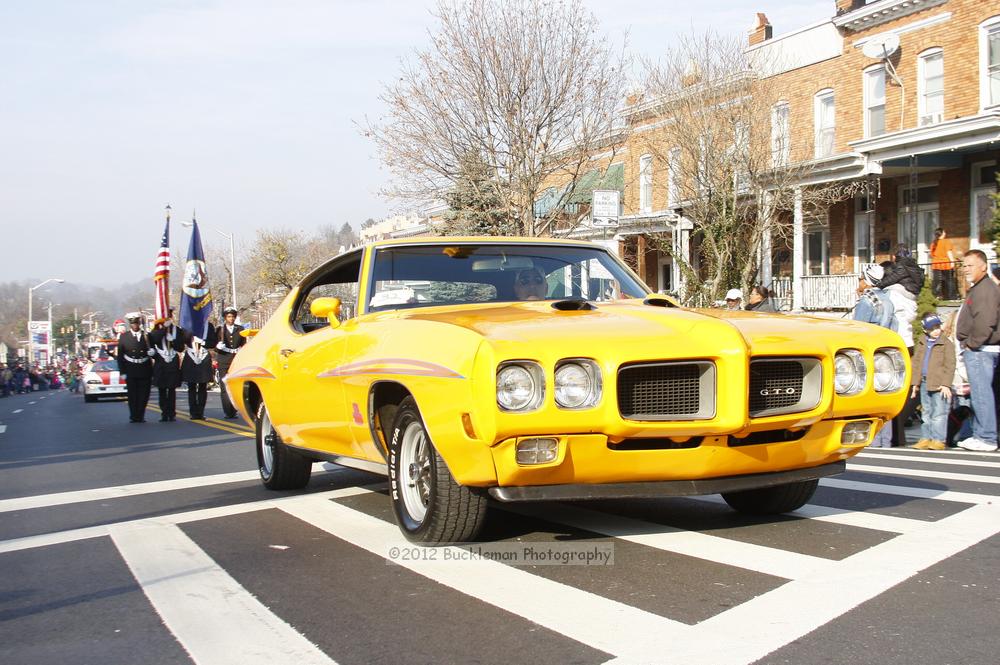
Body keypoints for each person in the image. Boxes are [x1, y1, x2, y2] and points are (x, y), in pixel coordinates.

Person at [955, 249, 1000, 452]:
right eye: (964, 265)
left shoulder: (985, 289)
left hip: (981, 349)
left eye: (970, 265)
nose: (966, 269)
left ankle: (986, 437)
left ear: (983, 266)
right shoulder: (981, 288)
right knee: (981, 394)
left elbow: (986, 321)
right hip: (980, 348)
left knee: (982, 394)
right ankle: (981, 434)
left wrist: (972, 344)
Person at [853, 264, 896, 447]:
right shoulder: (888, 300)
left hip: (868, 354)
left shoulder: (866, 301)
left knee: (868, 397)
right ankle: (885, 440)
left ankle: (871, 438)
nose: (859, 282)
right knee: (884, 395)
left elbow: (856, 331)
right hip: (884, 353)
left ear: (866, 281)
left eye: (860, 278)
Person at [910, 313, 955, 450]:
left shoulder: (946, 343)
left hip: (939, 384)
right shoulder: (922, 342)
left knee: (939, 413)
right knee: (926, 412)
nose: (936, 330)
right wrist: (915, 384)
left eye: (938, 327)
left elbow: (950, 364)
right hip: (924, 382)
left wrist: (946, 384)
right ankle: (925, 438)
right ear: (925, 330)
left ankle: (938, 439)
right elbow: (917, 364)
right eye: (932, 328)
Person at [116, 313, 153, 423]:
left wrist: (153, 353)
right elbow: (120, 356)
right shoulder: (124, 337)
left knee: (144, 395)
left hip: (144, 368)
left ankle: (140, 415)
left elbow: (153, 351)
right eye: (133, 324)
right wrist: (122, 371)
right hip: (130, 369)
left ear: (140, 324)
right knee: (133, 395)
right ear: (130, 325)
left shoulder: (147, 336)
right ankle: (134, 415)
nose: (135, 326)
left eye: (137, 323)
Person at [149, 309, 185, 422]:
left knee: (172, 390)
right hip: (161, 363)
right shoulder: (155, 330)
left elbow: (181, 348)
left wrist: (173, 341)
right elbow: (153, 340)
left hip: (172, 363)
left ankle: (172, 413)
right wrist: (164, 330)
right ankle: (164, 412)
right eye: (166, 316)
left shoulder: (177, 330)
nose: (169, 318)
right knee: (162, 390)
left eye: (170, 316)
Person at [214, 307, 246, 419]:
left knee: (235, 386)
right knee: (224, 386)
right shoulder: (219, 330)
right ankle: (228, 411)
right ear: (225, 318)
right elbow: (214, 346)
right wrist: (218, 347)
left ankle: (235, 409)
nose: (231, 318)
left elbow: (243, 345)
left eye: (232, 316)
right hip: (223, 360)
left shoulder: (240, 329)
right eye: (228, 316)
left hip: (235, 360)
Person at [181, 325, 217, 420]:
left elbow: (213, 342)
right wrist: (191, 333)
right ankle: (193, 412)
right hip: (191, 356)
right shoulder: (188, 325)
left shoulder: (208, 326)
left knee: (202, 387)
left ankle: (200, 412)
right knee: (191, 387)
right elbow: (183, 339)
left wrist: (203, 342)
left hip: (203, 357)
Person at [929, 228, 956, 300]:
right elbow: (948, 252)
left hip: (936, 265)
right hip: (945, 264)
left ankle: (936, 296)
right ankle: (951, 297)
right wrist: (952, 262)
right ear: (942, 233)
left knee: (937, 282)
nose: (945, 233)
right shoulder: (946, 242)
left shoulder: (933, 243)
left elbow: (931, 255)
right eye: (944, 231)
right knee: (949, 281)